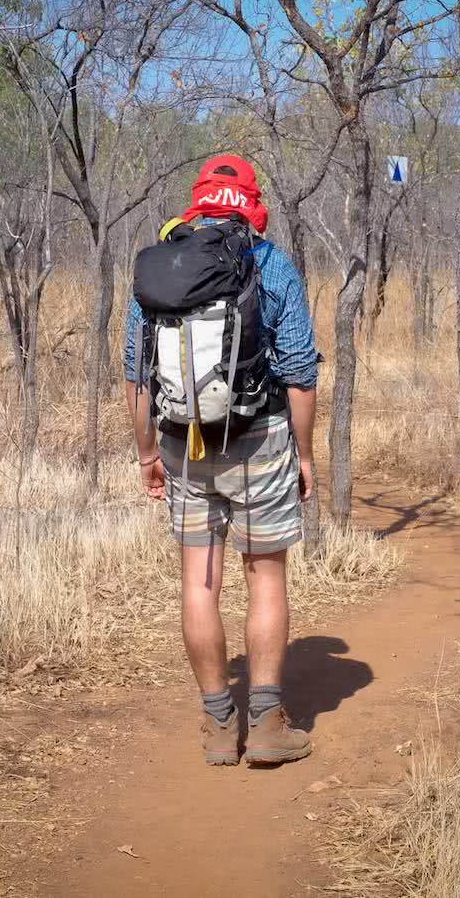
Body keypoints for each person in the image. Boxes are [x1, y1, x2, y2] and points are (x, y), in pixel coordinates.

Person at [123, 154, 319, 767]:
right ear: (252, 201)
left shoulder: (164, 266)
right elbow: (301, 374)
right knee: (266, 577)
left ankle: (216, 725)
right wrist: (305, 455)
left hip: (183, 446)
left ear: (198, 198)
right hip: (260, 439)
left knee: (198, 582)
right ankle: (265, 723)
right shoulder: (271, 264)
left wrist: (147, 454)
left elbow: (138, 377)